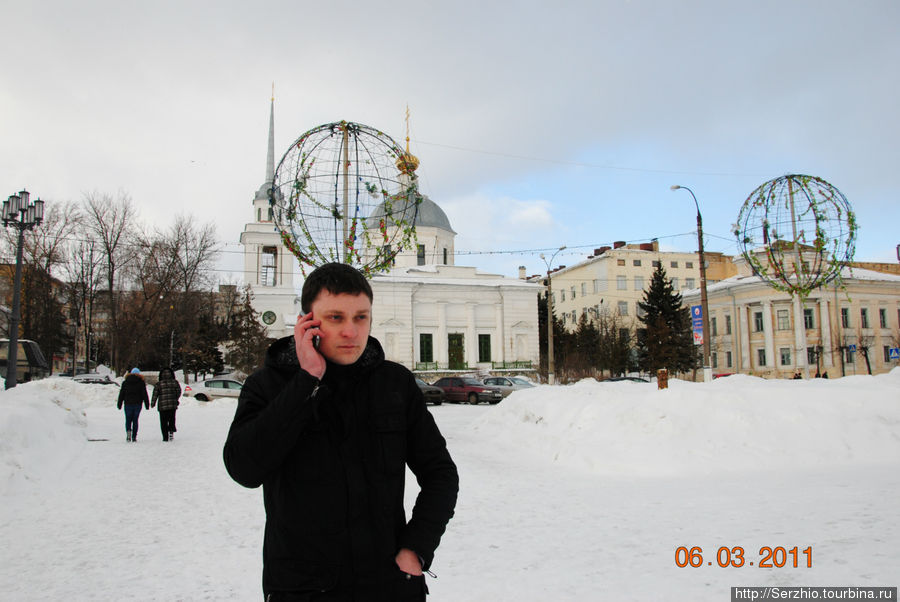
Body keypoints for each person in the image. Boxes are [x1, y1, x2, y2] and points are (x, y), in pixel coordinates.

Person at [224, 263, 459, 601]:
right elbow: (244, 468)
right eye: (336, 318)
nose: (351, 331)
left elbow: (440, 473)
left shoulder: (394, 384)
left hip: (388, 585)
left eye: (361, 317)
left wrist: (417, 549)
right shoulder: (269, 386)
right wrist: (306, 381)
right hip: (303, 589)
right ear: (306, 321)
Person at [118, 367, 150, 442]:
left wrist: (119, 403)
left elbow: (122, 393)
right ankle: (134, 436)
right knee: (135, 420)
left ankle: (128, 432)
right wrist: (147, 404)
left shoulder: (125, 382)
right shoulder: (141, 382)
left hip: (128, 404)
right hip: (138, 404)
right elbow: (144, 394)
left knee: (128, 419)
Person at [151, 367, 182, 442]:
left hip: (162, 405)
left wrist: (153, 403)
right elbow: (179, 391)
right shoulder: (175, 382)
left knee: (163, 421)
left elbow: (155, 394)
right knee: (172, 419)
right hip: (172, 405)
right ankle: (171, 432)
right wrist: (175, 398)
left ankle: (165, 437)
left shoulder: (159, 384)